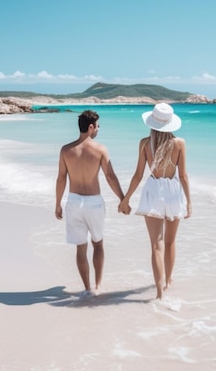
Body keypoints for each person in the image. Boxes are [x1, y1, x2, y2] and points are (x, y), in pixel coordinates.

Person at [119, 103, 191, 300]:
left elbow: (138, 175)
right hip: (173, 191)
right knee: (170, 241)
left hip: (153, 191)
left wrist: (125, 199)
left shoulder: (144, 143)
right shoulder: (179, 143)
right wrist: (189, 202)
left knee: (156, 244)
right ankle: (167, 282)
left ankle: (159, 294)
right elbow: (183, 175)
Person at [55, 109, 125, 294]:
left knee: (81, 248)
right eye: (98, 126)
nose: (99, 129)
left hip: (74, 202)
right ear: (91, 127)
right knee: (98, 244)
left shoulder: (66, 150)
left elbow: (61, 178)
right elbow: (110, 176)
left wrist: (57, 204)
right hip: (94, 203)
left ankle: (86, 288)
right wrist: (122, 199)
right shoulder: (100, 149)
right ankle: (98, 286)